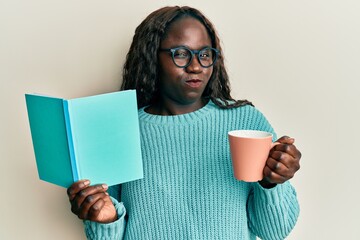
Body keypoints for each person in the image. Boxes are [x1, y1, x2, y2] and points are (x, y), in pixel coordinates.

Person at [67, 6, 301, 240]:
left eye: (205, 54)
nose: (196, 66)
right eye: (180, 53)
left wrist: (272, 183)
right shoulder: (121, 129)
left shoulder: (245, 121)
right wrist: (106, 219)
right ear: (151, 57)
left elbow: (275, 231)